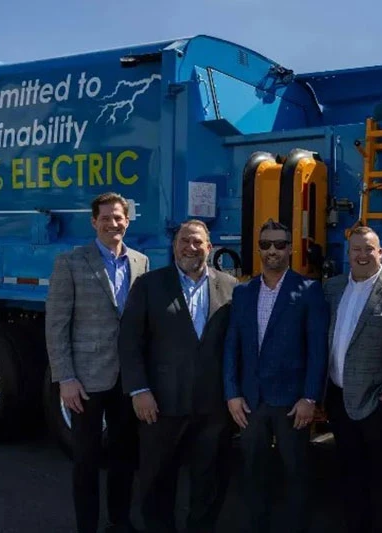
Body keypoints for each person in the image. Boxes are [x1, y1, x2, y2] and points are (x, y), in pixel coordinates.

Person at [117, 219, 237, 533]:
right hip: (160, 403)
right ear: (174, 246)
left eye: (198, 242)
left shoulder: (231, 287)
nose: (190, 247)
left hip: (212, 407)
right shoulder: (149, 284)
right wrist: (138, 390)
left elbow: (236, 346)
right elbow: (130, 342)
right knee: (157, 479)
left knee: (208, 479)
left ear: (209, 248)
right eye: (184, 241)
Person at [45, 192, 149, 533]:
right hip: (86, 381)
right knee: (86, 461)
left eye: (118, 217)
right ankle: (87, 526)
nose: (112, 223)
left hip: (127, 378)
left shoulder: (140, 262)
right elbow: (57, 324)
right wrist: (65, 378)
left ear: (127, 220)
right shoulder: (71, 262)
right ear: (94, 222)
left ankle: (119, 521)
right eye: (105, 218)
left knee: (123, 458)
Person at [222, 219, 328, 533]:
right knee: (253, 474)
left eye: (280, 244)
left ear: (290, 249)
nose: (273, 251)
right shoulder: (243, 292)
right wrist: (232, 394)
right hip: (251, 402)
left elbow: (317, 349)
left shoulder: (308, 290)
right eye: (266, 244)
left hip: (292, 403)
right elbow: (232, 347)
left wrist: (310, 397)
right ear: (258, 248)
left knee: (296, 473)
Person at [322, 226, 382, 533]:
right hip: (338, 399)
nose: (362, 255)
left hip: (379, 403)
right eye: (356, 250)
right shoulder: (331, 289)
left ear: (380, 253)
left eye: (368, 249)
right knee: (349, 474)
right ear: (348, 254)